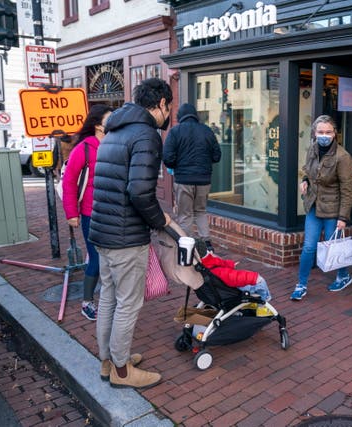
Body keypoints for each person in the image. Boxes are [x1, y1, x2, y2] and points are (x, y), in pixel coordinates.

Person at [89, 78, 173, 389]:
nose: (168, 115)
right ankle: (122, 372)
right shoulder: (147, 134)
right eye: (169, 107)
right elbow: (140, 191)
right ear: (161, 104)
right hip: (125, 235)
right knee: (128, 302)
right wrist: (157, 220)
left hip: (103, 230)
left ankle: (109, 360)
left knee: (109, 298)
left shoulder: (114, 130)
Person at [291, 115, 352, 301]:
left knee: (333, 246)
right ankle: (301, 284)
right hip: (313, 205)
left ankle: (343, 276)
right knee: (309, 247)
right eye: (320, 132)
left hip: (333, 209)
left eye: (328, 132)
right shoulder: (312, 148)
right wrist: (305, 181)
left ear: (335, 134)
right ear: (314, 133)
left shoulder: (343, 157)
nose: (324, 135)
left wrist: (343, 218)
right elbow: (308, 170)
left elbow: (348, 189)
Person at [61, 104, 113, 321]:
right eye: (109, 119)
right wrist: (71, 213)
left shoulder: (114, 143)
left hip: (113, 212)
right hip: (91, 213)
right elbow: (69, 181)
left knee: (111, 258)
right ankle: (87, 302)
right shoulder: (84, 147)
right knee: (96, 258)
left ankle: (109, 296)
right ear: (98, 124)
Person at [163, 103, 221, 252]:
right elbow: (217, 156)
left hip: (184, 180)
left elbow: (168, 158)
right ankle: (207, 245)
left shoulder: (175, 132)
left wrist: (178, 165)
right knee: (200, 211)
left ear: (180, 117)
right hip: (204, 179)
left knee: (185, 215)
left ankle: (186, 248)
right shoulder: (207, 131)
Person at [199, 252, 272, 302]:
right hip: (230, 291)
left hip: (213, 291)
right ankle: (264, 300)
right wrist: (255, 278)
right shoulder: (218, 271)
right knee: (260, 282)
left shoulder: (202, 267)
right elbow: (233, 277)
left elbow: (218, 263)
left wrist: (231, 265)